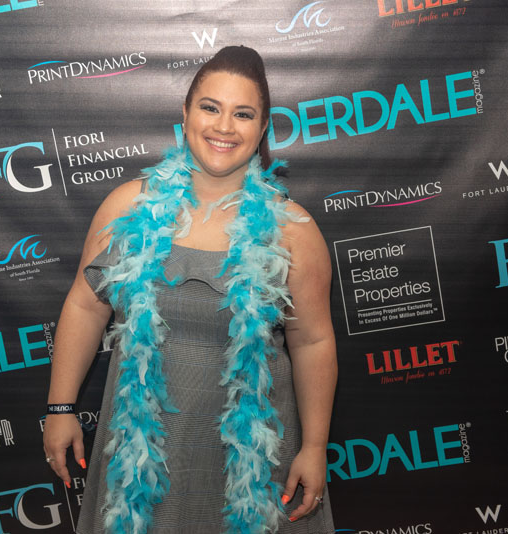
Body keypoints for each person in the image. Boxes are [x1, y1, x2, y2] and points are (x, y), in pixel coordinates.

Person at [43, 45, 337, 534]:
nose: (224, 127)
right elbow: (85, 305)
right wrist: (59, 407)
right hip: (142, 452)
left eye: (243, 114)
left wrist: (314, 446)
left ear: (262, 127)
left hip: (252, 460)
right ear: (185, 113)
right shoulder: (127, 208)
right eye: (210, 108)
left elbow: (313, 341)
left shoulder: (292, 231)